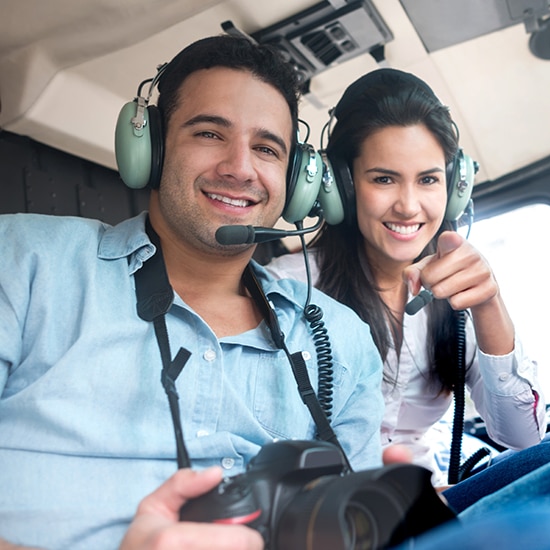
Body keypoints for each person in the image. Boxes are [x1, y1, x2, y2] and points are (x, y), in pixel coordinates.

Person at [0, 35, 385, 549]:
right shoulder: (22, 262)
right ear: (152, 149)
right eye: (209, 133)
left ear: (296, 182)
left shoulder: (340, 336)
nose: (239, 168)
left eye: (266, 149)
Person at [265, 68, 550, 486]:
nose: (409, 206)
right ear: (342, 186)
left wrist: (488, 304)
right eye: (384, 179)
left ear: (454, 189)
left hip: (433, 490)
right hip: (354, 507)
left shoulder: (457, 284)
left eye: (428, 180)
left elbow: (522, 436)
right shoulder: (287, 289)